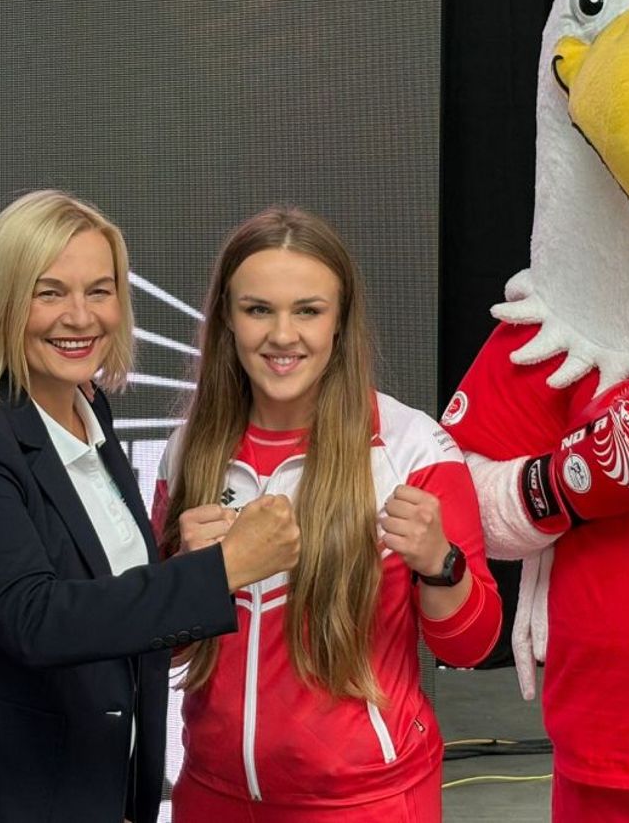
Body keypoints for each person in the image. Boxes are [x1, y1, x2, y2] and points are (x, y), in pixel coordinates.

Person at [0, 190, 300, 823]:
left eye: (100, 291)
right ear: (3, 302)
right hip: (14, 799)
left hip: (105, 787)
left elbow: (105, 597)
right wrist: (221, 570)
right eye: (50, 292)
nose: (80, 317)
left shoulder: (90, 412)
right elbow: (35, 617)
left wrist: (185, 565)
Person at [156, 207, 502, 822]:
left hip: (365, 802)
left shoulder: (412, 449)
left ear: (340, 321)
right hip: (211, 795)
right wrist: (186, 578)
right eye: (258, 309)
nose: (282, 335)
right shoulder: (191, 449)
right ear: (227, 320)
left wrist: (440, 565)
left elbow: (474, 646)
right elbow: (164, 651)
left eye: (308, 311)